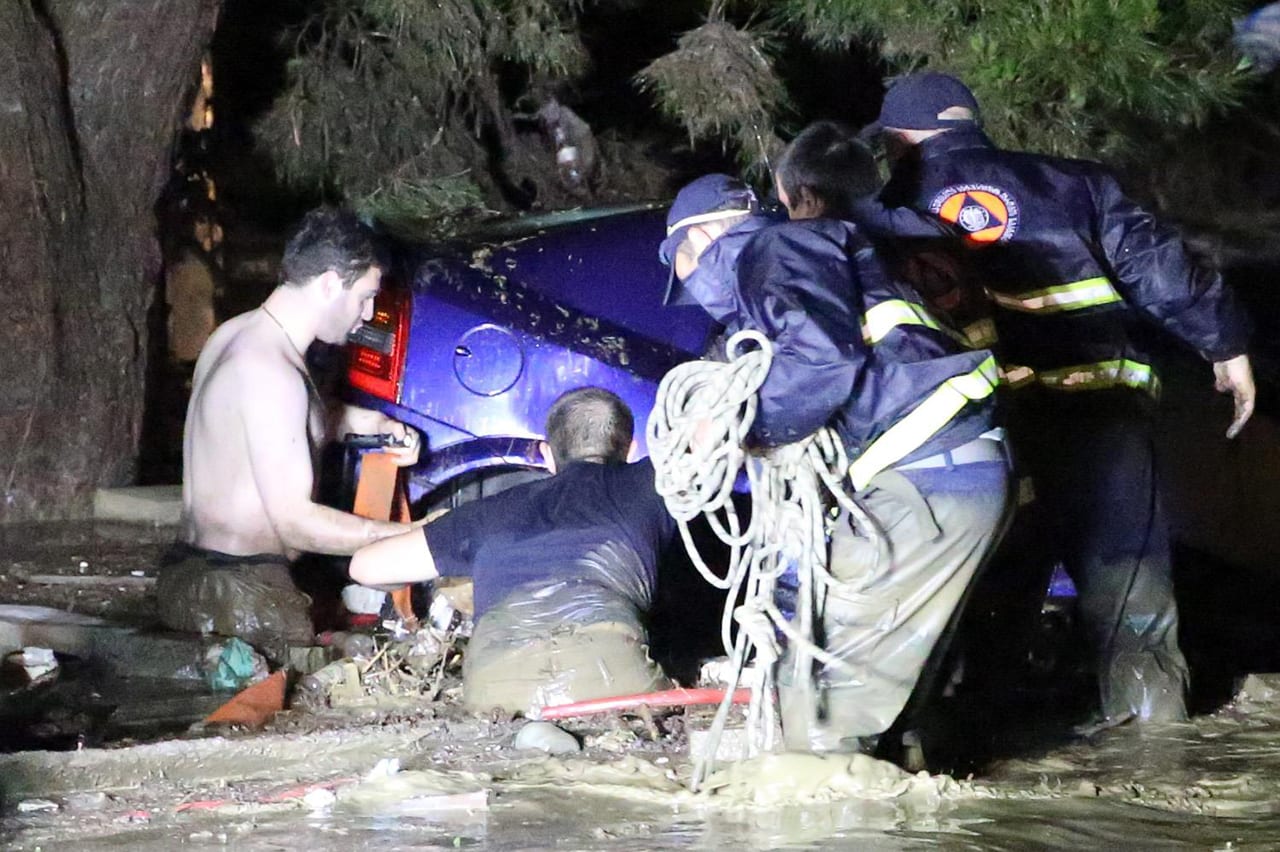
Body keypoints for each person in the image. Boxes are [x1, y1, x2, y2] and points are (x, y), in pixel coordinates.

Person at [860, 71, 1256, 725]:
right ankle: (1157, 757)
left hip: (980, 440)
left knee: (978, 609)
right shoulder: (1075, 183)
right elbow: (1158, 264)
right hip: (1101, 419)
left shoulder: (884, 211)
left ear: (902, 140)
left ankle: (969, 768)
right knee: (1135, 611)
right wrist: (1225, 345)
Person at [661, 169, 1012, 759]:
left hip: (925, 477)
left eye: (685, 268)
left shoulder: (774, 248)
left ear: (698, 239)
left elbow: (821, 362)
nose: (693, 287)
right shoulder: (814, 257)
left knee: (824, 723)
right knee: (888, 716)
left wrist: (730, 424)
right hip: (938, 474)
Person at [159, 208, 421, 662]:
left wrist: (371, 424)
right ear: (327, 284)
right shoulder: (271, 372)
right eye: (364, 296)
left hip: (191, 577)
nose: (369, 314)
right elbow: (295, 522)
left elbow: (275, 427)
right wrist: (404, 537)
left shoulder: (235, 336)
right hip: (240, 595)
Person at [348, 387, 673, 715]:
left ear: (546, 455)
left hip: (494, 693)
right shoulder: (652, 481)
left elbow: (364, 567)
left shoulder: (489, 511)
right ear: (631, 451)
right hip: (612, 679)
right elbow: (707, 434)